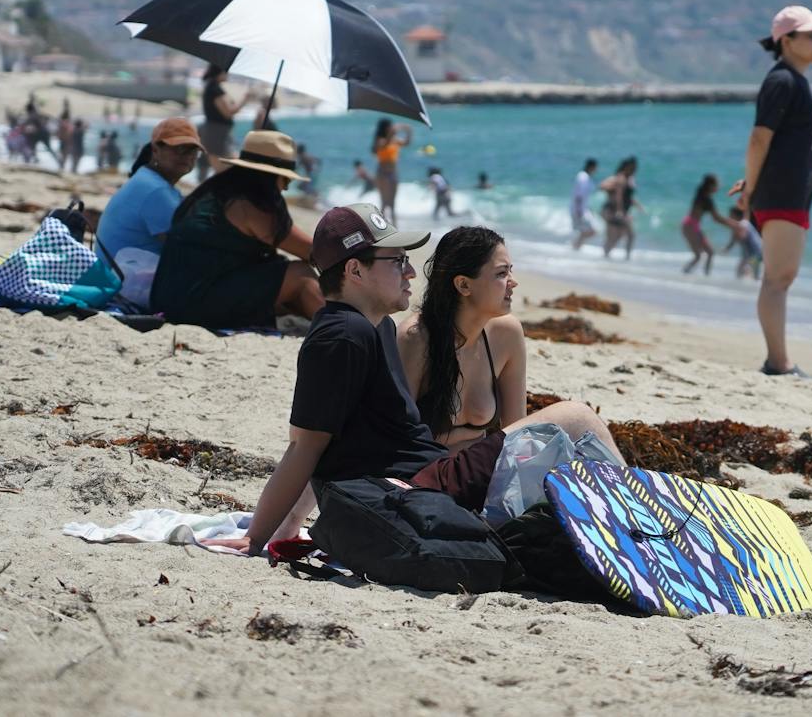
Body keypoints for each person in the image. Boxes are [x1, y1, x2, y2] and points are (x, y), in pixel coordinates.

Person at [238, 206, 619, 556]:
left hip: (431, 476)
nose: (409, 272)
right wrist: (263, 535)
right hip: (418, 486)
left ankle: (631, 524)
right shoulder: (357, 336)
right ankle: (645, 521)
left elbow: (513, 432)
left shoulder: (377, 328)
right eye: (397, 261)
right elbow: (308, 446)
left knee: (568, 447)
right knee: (577, 416)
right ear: (355, 270)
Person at [729, 4, 812, 377]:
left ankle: (779, 359)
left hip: (789, 192)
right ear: (786, 41)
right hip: (783, 194)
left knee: (780, 277)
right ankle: (778, 362)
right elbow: (759, 139)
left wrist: (751, 184)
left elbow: (775, 147)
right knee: (778, 278)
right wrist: (752, 189)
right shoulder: (783, 81)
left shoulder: (794, 81)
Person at [149, 131, 322, 328]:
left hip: (169, 300)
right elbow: (314, 253)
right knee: (300, 274)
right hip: (192, 305)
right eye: (286, 180)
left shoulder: (217, 191)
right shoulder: (250, 205)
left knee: (285, 286)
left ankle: (341, 325)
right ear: (270, 176)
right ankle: (347, 332)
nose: (286, 189)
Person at [398, 225, 528, 450]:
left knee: (577, 419)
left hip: (478, 471)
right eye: (501, 273)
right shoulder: (416, 337)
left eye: (510, 270)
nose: (513, 281)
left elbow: (517, 431)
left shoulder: (507, 333)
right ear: (464, 285)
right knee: (576, 414)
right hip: (425, 474)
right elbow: (396, 434)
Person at [96, 117, 203, 260]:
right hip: (124, 281)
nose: (187, 156)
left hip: (117, 274)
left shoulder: (147, 178)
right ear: (155, 150)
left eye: (193, 151)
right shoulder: (156, 190)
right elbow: (186, 247)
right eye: (180, 149)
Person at [198, 65, 248, 181]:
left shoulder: (212, 87)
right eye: (225, 72)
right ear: (219, 73)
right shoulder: (214, 89)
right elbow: (228, 112)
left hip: (217, 132)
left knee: (225, 168)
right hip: (216, 133)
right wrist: (245, 100)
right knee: (223, 170)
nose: (227, 75)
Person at [680, 174, 734, 275]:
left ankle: (694, 274)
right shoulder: (707, 200)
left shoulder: (700, 194)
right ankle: (695, 274)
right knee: (702, 255)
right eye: (717, 184)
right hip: (691, 226)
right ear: (710, 186)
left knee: (707, 253)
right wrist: (733, 225)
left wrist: (731, 224)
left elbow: (716, 218)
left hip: (689, 225)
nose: (719, 187)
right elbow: (717, 218)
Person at [372, 118, 414, 224]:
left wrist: (409, 130)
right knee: (384, 202)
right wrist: (391, 133)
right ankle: (381, 227)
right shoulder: (379, 140)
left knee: (392, 203)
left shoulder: (395, 139)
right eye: (390, 126)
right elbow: (384, 144)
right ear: (386, 128)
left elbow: (407, 143)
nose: (392, 128)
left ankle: (395, 227)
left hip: (393, 173)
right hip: (382, 173)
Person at [599, 157, 639, 260]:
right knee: (623, 235)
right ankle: (621, 257)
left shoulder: (628, 179)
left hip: (618, 211)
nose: (633, 170)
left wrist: (637, 204)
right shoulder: (620, 178)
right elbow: (618, 195)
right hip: (613, 211)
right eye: (632, 167)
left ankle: (607, 256)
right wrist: (620, 210)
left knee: (619, 236)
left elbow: (627, 197)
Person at [724, 205, 763, 279]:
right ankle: (746, 285)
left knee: (745, 270)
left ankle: (741, 285)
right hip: (756, 252)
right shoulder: (744, 223)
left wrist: (736, 234)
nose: (729, 217)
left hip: (754, 254)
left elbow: (741, 236)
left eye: (731, 215)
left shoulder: (742, 225)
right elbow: (734, 240)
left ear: (737, 216)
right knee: (752, 273)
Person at [569, 158, 599, 251]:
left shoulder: (583, 176)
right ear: (592, 167)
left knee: (586, 231)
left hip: (581, 209)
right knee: (592, 231)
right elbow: (579, 195)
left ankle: (575, 247)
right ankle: (574, 246)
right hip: (579, 209)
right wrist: (579, 210)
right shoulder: (583, 177)